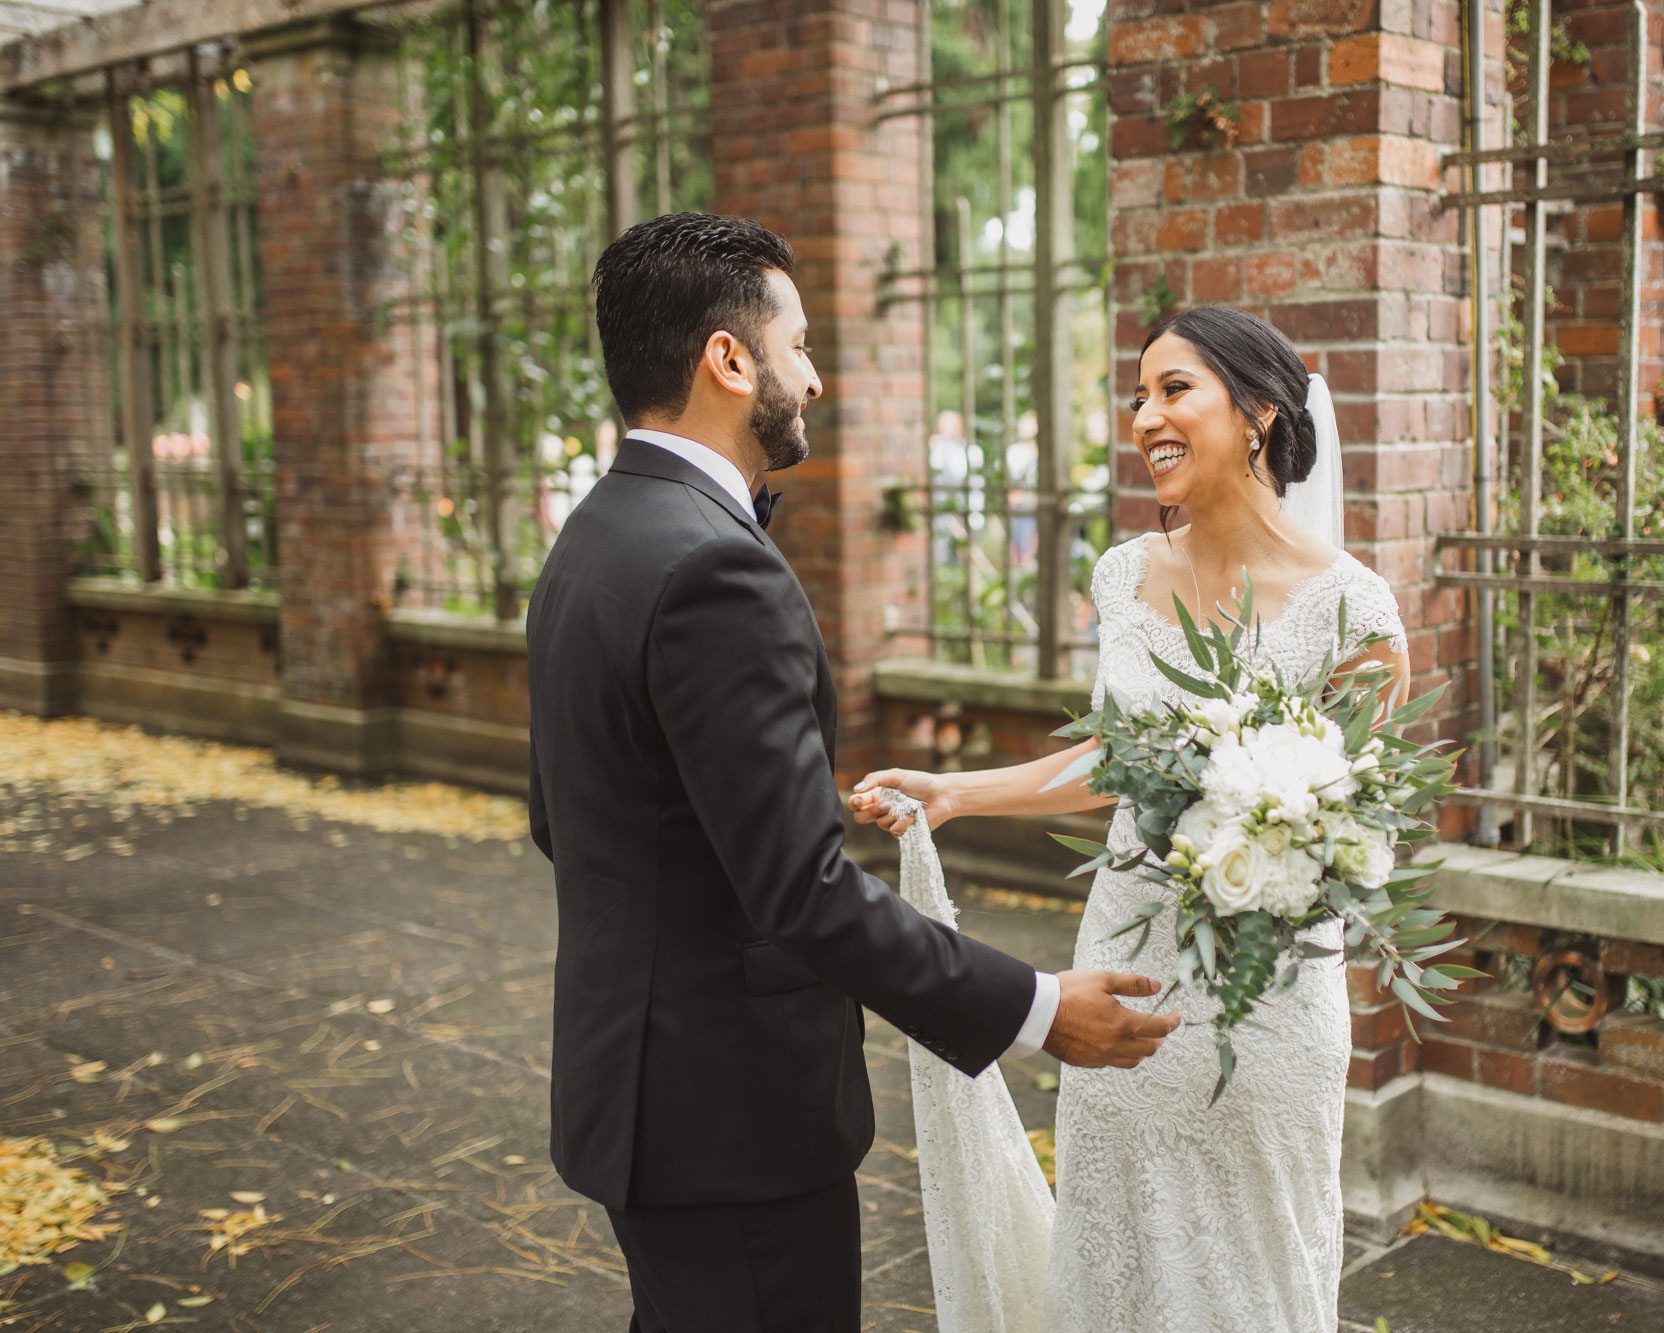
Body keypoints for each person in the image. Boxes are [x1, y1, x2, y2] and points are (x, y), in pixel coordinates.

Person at [525, 212, 1180, 1333]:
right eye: (801, 344)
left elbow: (562, 816)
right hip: (729, 1118)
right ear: (729, 360)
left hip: (634, 1086)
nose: (814, 378)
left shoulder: (594, 532)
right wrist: (1031, 1009)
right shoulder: (716, 569)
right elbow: (801, 894)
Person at [852, 305, 1412, 1330]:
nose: (1143, 414)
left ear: (1255, 413)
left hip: (1262, 992)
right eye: (1137, 394)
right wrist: (958, 791)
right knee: (1118, 1245)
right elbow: (1121, 757)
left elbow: (1351, 827)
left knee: (1251, 1265)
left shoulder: (1354, 614)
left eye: (1172, 389)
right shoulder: (1124, 574)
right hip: (1123, 967)